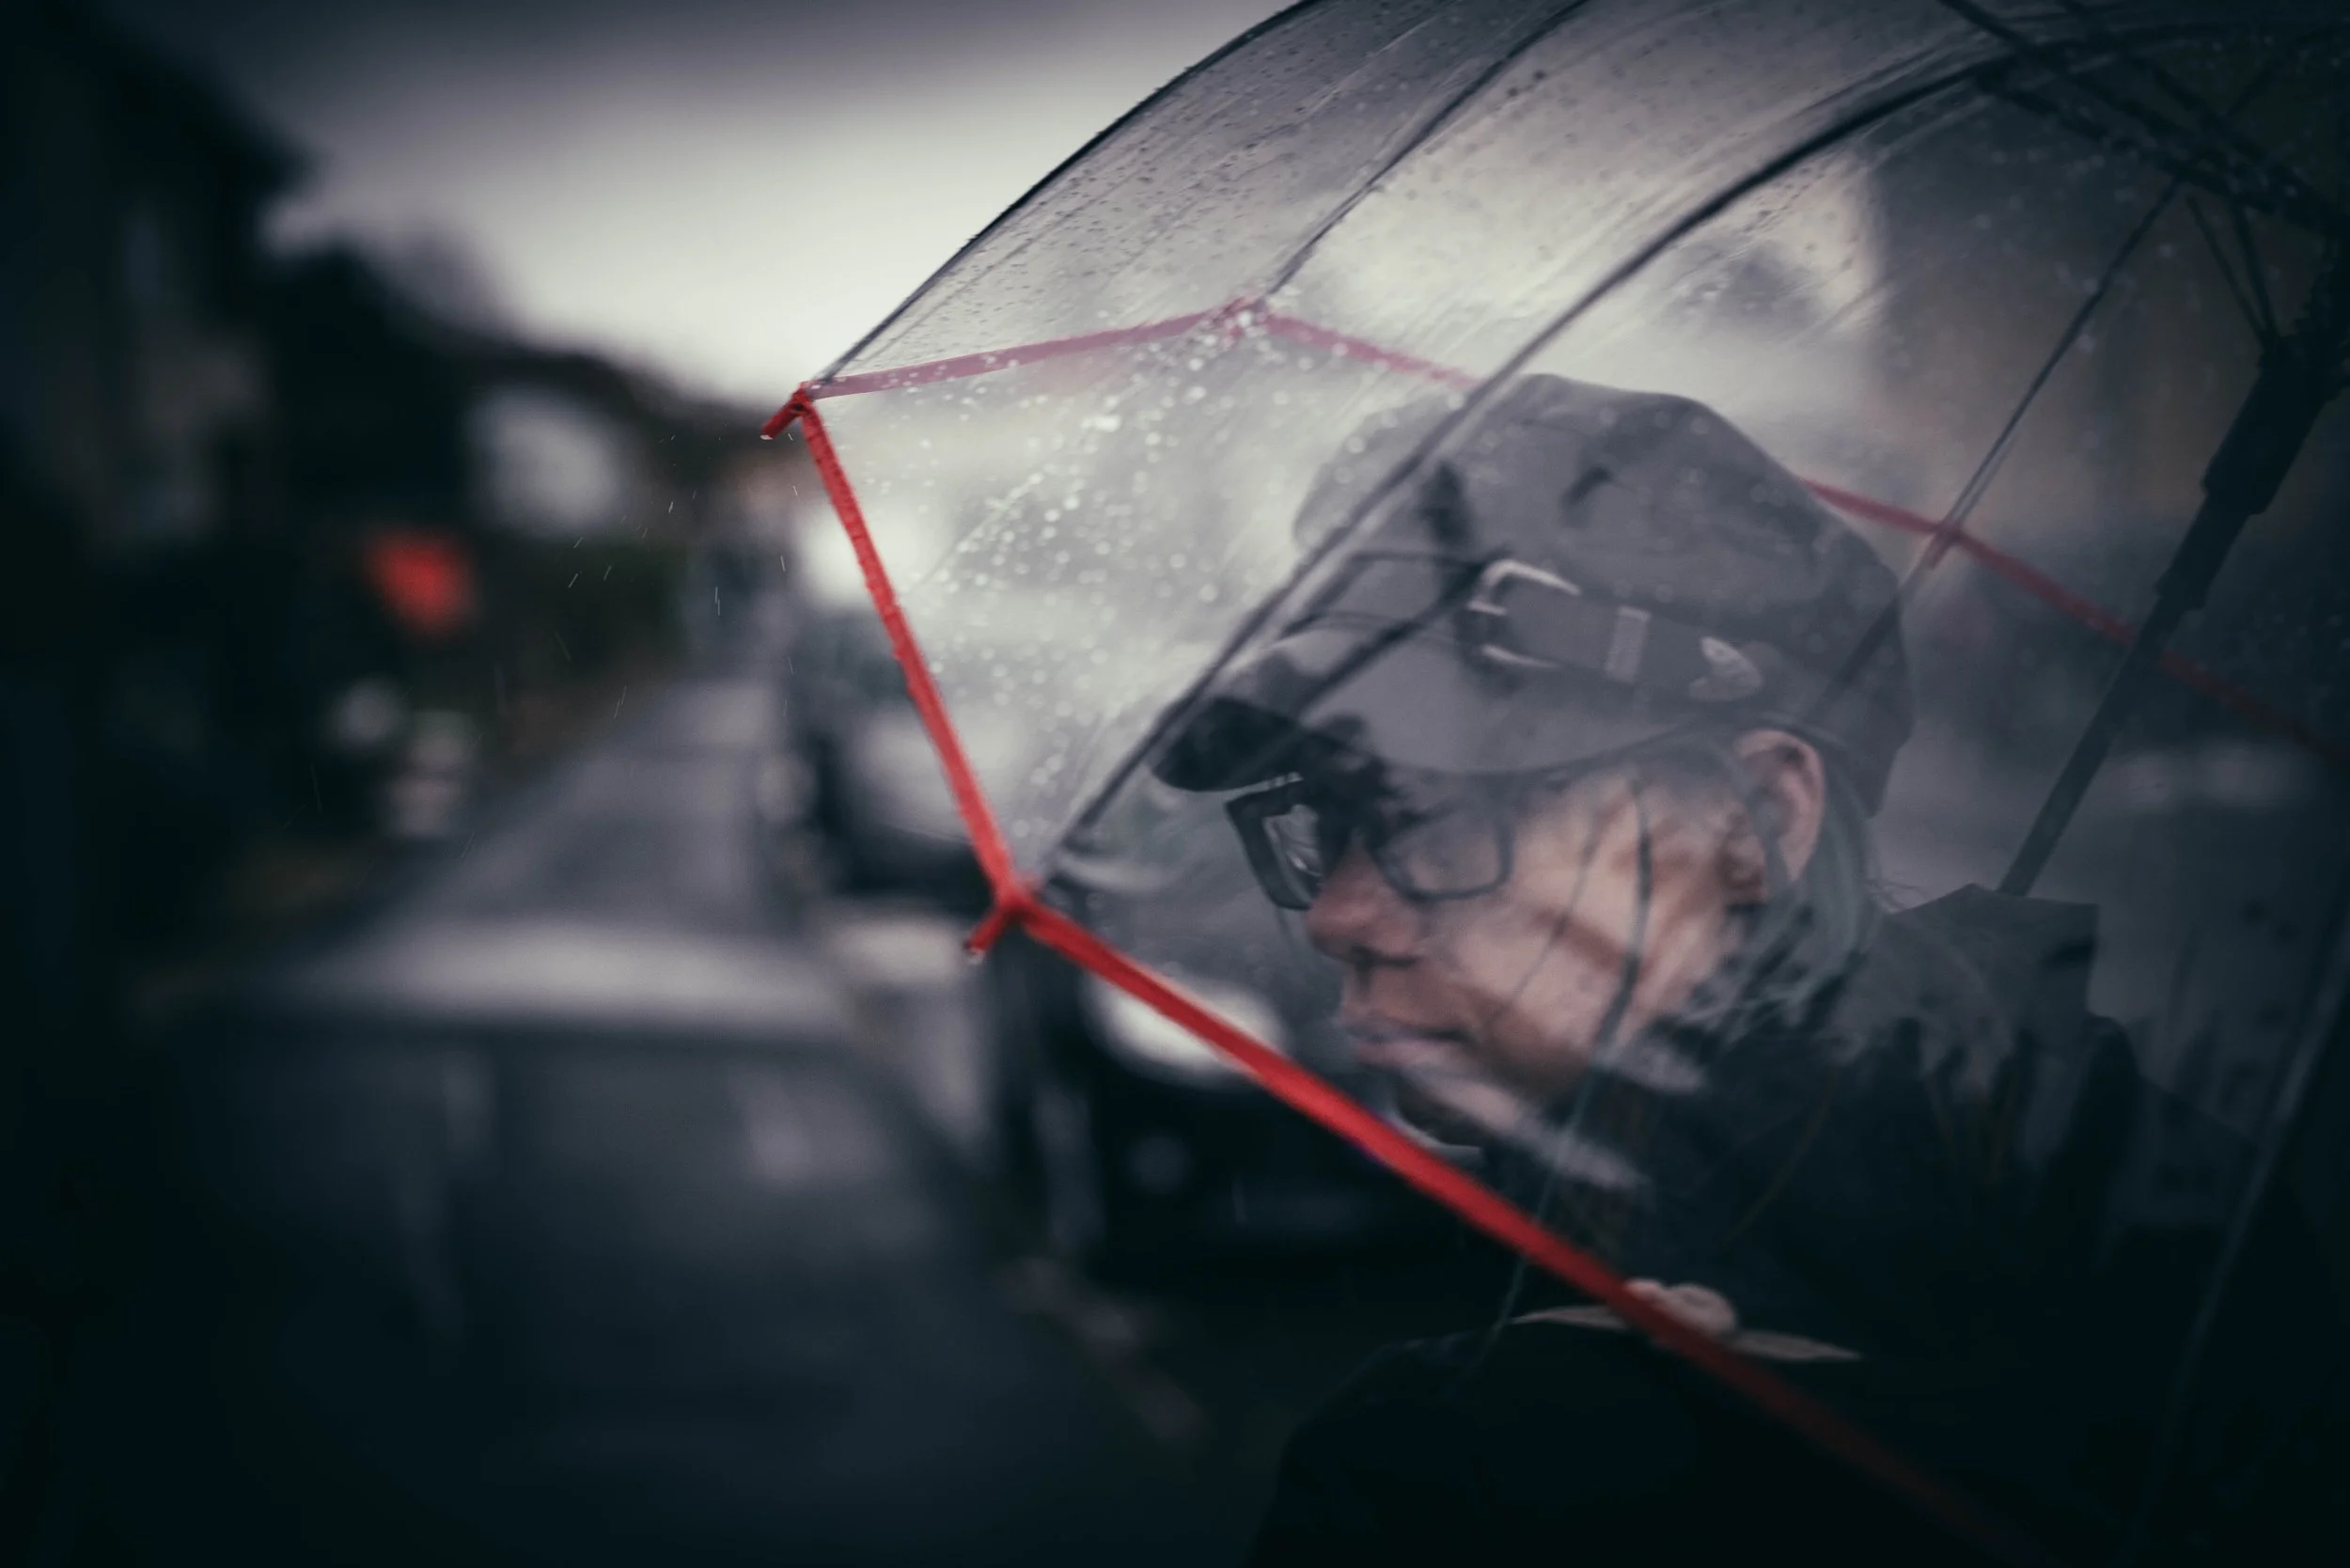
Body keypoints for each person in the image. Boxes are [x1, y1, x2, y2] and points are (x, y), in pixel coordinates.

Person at [1149, 375, 2342, 1562]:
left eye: (1429, 817)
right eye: (1321, 817)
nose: (1340, 913)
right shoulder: (1968, 1156)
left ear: (1756, 815)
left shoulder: (2179, 1297)